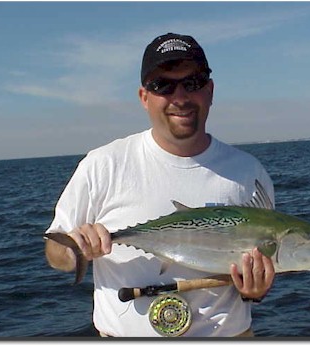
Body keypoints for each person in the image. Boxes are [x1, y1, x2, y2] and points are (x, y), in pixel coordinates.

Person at [44, 32, 276, 337]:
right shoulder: (103, 164)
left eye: (192, 83)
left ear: (210, 90)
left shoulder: (249, 172)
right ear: (144, 97)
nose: (180, 98)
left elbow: (255, 282)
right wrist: (77, 250)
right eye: (163, 86)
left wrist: (255, 290)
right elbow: (55, 250)